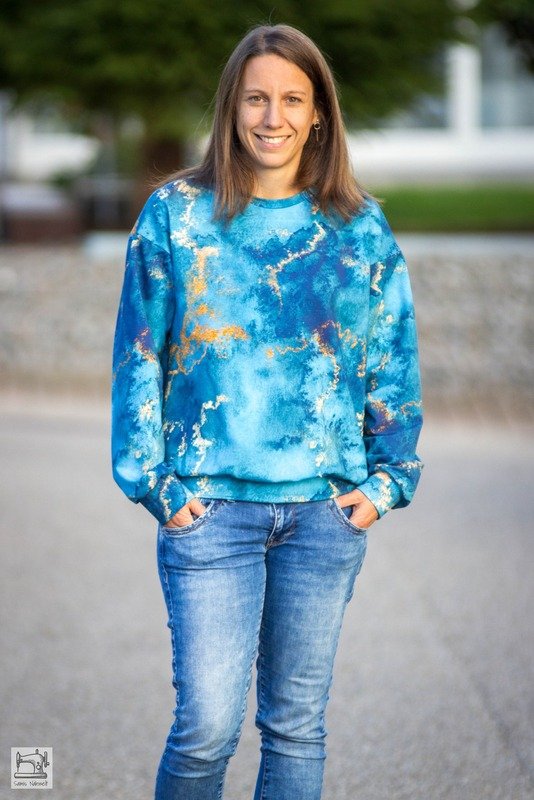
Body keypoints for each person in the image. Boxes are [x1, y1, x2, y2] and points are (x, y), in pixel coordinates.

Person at [111, 23, 423, 800]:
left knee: (295, 729)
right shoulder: (176, 217)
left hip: (324, 516)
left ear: (318, 114)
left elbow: (392, 361)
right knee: (206, 729)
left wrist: (386, 485)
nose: (272, 117)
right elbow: (138, 356)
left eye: (291, 99)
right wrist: (155, 485)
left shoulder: (358, 228)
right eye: (256, 99)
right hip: (209, 512)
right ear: (231, 107)